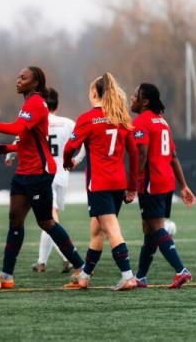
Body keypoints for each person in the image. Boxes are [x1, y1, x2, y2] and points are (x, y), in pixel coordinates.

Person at [0, 66, 85, 289]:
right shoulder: (28, 104)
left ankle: (81, 268)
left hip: (39, 173)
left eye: (23, 77)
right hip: (23, 172)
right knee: (15, 221)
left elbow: (16, 128)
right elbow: (28, 139)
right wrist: (8, 148)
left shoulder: (37, 104)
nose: (17, 80)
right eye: (17, 76)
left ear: (36, 83)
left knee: (46, 222)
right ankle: (6, 276)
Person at [62, 72, 139, 291]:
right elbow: (134, 155)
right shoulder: (121, 118)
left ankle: (127, 276)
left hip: (100, 184)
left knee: (112, 230)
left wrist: (68, 161)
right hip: (118, 183)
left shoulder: (88, 118)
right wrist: (132, 186)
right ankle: (84, 276)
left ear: (94, 93)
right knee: (97, 231)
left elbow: (69, 148)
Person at [130, 83, 196, 289]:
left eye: (135, 96)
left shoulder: (142, 122)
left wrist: (133, 182)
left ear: (145, 102)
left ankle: (181, 270)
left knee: (156, 227)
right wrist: (183, 186)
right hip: (166, 182)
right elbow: (173, 157)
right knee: (149, 228)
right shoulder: (162, 122)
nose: (132, 98)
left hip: (152, 183)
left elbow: (142, 153)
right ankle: (141, 277)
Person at [28, 87, 85, 274]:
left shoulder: (36, 121)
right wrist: (76, 160)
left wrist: (11, 157)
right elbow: (84, 144)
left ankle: (68, 258)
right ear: (57, 104)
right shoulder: (68, 123)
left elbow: (20, 138)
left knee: (49, 219)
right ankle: (42, 262)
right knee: (50, 217)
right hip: (62, 175)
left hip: (44, 175)